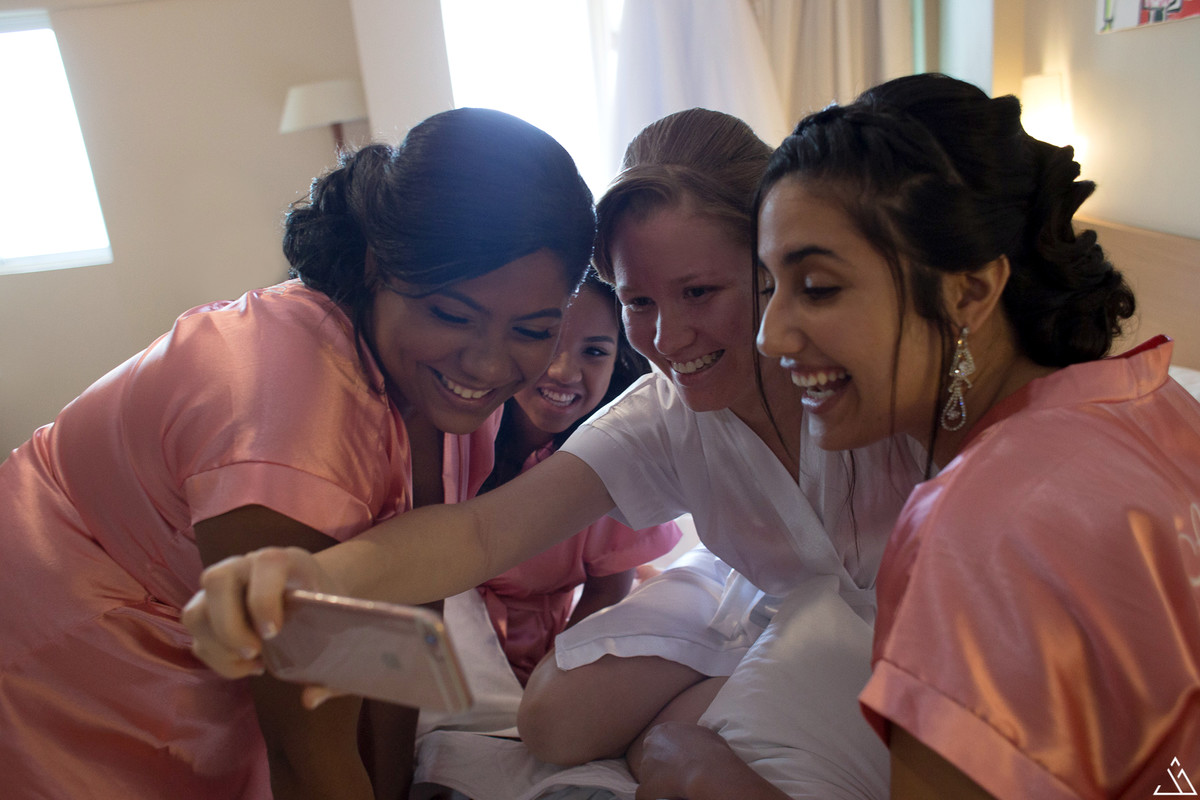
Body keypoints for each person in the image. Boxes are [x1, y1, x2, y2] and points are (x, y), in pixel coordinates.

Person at [185, 108, 925, 798]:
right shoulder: (662, 414)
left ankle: (698, 719)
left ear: (774, 266)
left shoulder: (876, 374)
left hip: (895, 632)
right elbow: (480, 534)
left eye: (700, 292)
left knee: (722, 761)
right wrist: (315, 575)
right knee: (549, 724)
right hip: (764, 593)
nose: (668, 339)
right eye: (639, 303)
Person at [0, 107, 595, 800]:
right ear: (377, 265)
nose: (489, 364)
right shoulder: (288, 414)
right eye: (452, 315)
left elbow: (403, 620)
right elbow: (308, 746)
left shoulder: (441, 390)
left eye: (533, 330)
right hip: (66, 648)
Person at [753, 73, 1200, 799]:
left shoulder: (973, 527)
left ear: (970, 291)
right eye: (768, 286)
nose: (770, 337)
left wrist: (705, 777)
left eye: (818, 288)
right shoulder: (1154, 402)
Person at [474, 271, 682, 685]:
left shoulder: (620, 459)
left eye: (595, 351)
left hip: (534, 661)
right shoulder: (460, 429)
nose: (565, 371)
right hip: (434, 635)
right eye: (544, 339)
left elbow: (606, 592)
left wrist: (547, 684)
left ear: (618, 358)